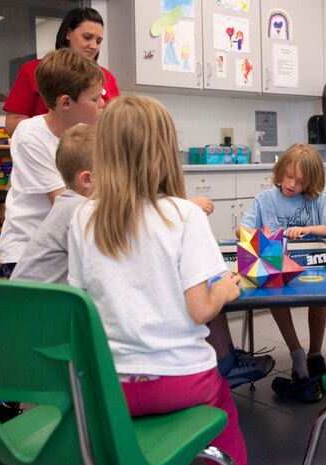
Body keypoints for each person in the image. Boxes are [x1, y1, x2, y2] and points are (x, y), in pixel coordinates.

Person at [9, 123, 274, 390]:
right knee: (197, 287)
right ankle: (224, 363)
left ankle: (224, 359)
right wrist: (184, 208)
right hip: (47, 325)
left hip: (37, 317)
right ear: (87, 179)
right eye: (116, 170)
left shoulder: (76, 206)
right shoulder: (82, 211)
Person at [67, 95, 247, 465]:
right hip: (182, 381)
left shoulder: (84, 217)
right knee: (226, 421)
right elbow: (199, 310)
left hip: (108, 386)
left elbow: (81, 307)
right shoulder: (184, 215)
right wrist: (223, 290)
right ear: (166, 150)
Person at [236, 143, 326, 403]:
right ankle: (296, 352)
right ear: (280, 170)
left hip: (312, 268)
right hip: (275, 266)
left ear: (311, 183)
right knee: (274, 292)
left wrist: (308, 230)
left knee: (321, 296)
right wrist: (258, 236)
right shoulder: (264, 199)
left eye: (300, 181)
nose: (291, 184)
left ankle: (315, 356)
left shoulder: (317, 200)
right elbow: (241, 230)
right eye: (288, 176)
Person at [0, 48, 105, 277]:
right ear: (66, 102)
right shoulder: (30, 135)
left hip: (66, 244)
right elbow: (63, 203)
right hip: (27, 253)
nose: (102, 103)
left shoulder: (85, 132)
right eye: (95, 99)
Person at [3, 7, 120, 136]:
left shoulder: (107, 77)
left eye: (98, 41)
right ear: (68, 33)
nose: (93, 45)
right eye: (87, 37)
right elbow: (13, 124)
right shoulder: (34, 70)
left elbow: (116, 123)